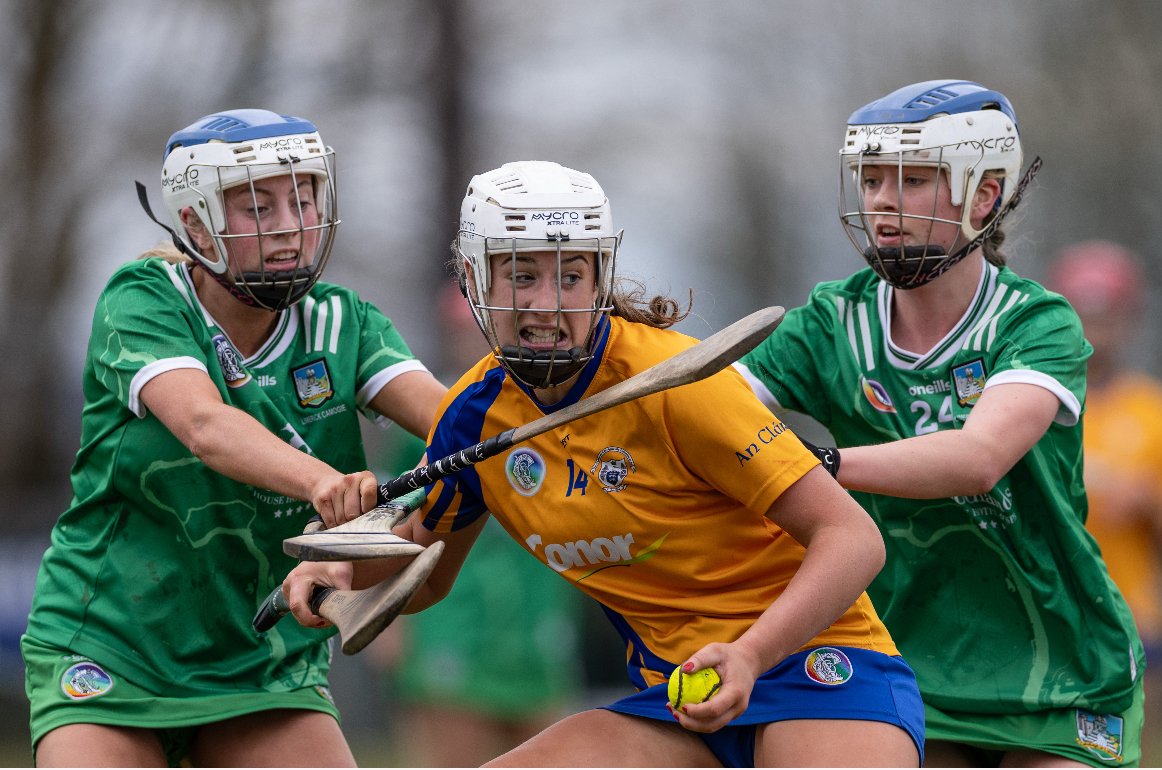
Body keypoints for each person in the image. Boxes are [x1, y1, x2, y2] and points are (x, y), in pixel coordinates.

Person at [285, 160, 926, 767]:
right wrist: (340, 569)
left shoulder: (677, 383)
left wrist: (751, 654)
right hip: (678, 699)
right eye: (522, 276)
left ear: (599, 279)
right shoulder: (472, 418)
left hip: (817, 666)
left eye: (570, 277)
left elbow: (852, 538)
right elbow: (423, 576)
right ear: (477, 282)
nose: (548, 304)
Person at [20, 109, 447, 767]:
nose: (290, 224)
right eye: (258, 206)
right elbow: (204, 425)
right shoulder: (143, 299)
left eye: (302, 199)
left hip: (263, 659)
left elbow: (454, 421)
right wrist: (323, 482)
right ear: (195, 222)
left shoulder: (346, 322)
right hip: (112, 646)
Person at [736, 80, 1145, 767]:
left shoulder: (1035, 322)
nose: (880, 200)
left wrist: (817, 465)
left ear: (982, 196)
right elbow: (713, 411)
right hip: (905, 662)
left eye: (912, 179)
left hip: (1062, 668)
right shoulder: (832, 322)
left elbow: (979, 457)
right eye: (871, 180)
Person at [369, 283, 588, 767]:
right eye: (460, 331)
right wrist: (386, 625)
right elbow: (385, 525)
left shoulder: (554, 415)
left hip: (537, 631)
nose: (470, 343)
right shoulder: (430, 420)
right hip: (451, 631)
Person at [1048, 241, 1162, 738]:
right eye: (1084, 313)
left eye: (1107, 313)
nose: (1095, 328)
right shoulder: (1034, 407)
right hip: (1053, 617)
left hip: (1136, 616)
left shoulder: (1155, 411)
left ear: (1129, 317)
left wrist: (1150, 499)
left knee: (1136, 749)